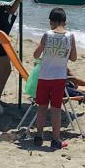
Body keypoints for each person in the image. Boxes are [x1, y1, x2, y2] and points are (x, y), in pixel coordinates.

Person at [31, 8, 76, 150]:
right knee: (56, 109)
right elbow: (74, 58)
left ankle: (39, 136)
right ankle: (56, 140)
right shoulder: (70, 36)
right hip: (59, 78)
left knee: (42, 108)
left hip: (44, 77)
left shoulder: (47, 35)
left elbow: (36, 54)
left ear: (51, 22)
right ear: (65, 22)